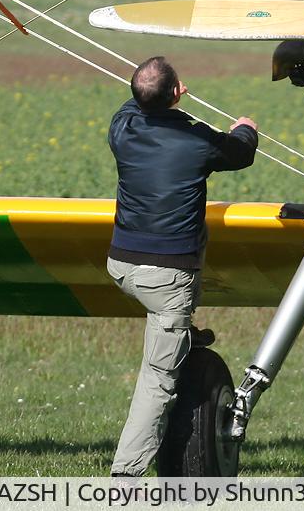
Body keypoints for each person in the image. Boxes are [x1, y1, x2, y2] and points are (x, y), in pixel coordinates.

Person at [105, 56, 258, 477]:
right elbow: (240, 153)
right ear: (177, 93)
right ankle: (124, 478)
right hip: (167, 277)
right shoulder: (197, 141)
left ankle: (181, 338)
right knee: (157, 381)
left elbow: (134, 103)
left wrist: (162, 96)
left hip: (121, 265)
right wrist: (245, 127)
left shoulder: (123, 130)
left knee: (168, 338)